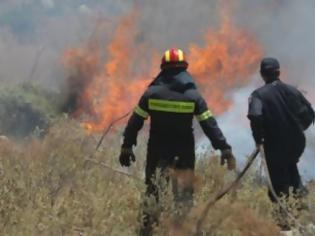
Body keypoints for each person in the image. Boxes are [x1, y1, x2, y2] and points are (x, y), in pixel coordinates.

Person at [119, 48, 236, 235]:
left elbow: (135, 122)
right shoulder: (193, 96)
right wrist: (224, 148)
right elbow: (209, 125)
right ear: (184, 70)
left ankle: (147, 231)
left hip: (157, 151)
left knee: (154, 192)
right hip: (184, 153)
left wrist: (127, 146)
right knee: (184, 197)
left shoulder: (152, 94)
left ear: (163, 69)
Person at [247, 58, 314, 228]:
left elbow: (255, 115)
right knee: (292, 170)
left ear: (262, 74)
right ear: (278, 72)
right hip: (296, 144)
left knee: (278, 183)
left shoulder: (258, 95)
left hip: (274, 146)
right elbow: (310, 114)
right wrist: (297, 129)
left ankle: (283, 222)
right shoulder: (292, 91)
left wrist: (259, 139)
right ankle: (302, 212)